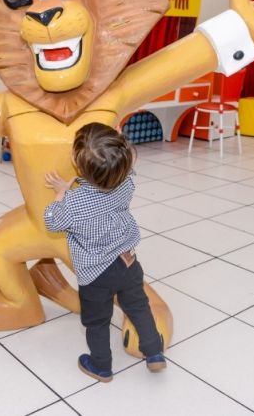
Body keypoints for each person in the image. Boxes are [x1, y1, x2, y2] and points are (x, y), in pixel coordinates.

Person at [43, 122, 166, 383]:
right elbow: (126, 170)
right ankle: (154, 352)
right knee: (138, 307)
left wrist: (61, 192)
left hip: (96, 274)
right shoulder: (126, 184)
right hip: (128, 263)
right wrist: (114, 147)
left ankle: (101, 366)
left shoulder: (75, 203)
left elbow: (52, 221)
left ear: (77, 163)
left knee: (97, 321)